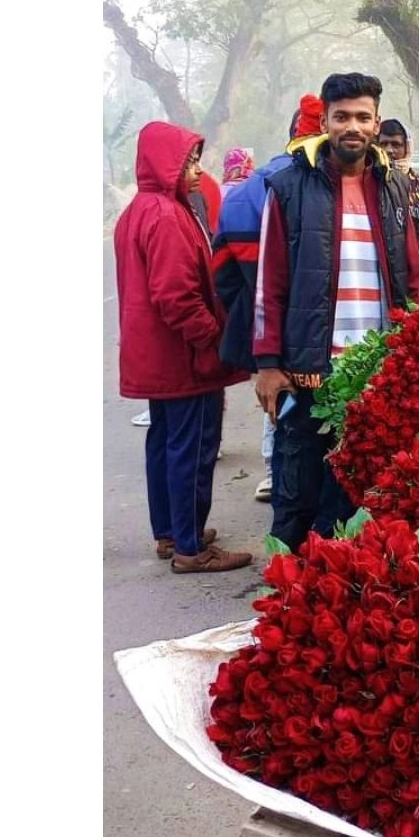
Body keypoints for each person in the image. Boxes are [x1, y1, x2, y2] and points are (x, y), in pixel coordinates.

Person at [253, 72, 419, 548]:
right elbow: (270, 282)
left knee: (362, 493)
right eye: (342, 116)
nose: (353, 126)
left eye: (363, 117)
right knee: (298, 491)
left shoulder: (394, 187)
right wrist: (268, 364)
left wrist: (417, 351)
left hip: (377, 370)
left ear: (376, 123)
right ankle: (286, 582)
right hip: (311, 368)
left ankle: (343, 584)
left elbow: (413, 275)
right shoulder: (288, 187)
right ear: (325, 122)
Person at [114, 122, 254, 574]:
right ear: (164, 164)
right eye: (188, 162)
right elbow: (176, 296)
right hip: (183, 357)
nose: (196, 170)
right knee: (192, 449)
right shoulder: (167, 216)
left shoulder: (139, 210)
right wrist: (213, 337)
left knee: (164, 442)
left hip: (157, 356)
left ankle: (172, 532)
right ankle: (191, 548)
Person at [213, 94, 325, 504]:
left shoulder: (242, 193)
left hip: (268, 333)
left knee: (277, 402)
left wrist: (253, 315)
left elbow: (222, 274)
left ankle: (276, 477)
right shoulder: (331, 188)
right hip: (320, 333)